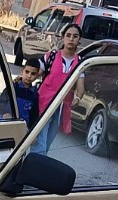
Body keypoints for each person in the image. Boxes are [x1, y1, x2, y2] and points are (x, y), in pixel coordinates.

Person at [30, 23, 84, 154]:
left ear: (79, 40)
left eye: (75, 36)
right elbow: (36, 74)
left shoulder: (80, 62)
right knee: (40, 141)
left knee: (48, 141)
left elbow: (80, 86)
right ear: (63, 38)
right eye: (68, 35)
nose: (71, 39)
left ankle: (37, 164)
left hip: (61, 108)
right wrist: (22, 80)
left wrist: (77, 97)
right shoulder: (51, 56)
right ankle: (35, 166)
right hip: (44, 104)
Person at [0, 57, 42, 130]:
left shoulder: (34, 95)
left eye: (33, 74)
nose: (29, 76)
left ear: (37, 76)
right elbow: (0, 102)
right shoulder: (13, 87)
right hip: (4, 123)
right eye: (27, 72)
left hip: (20, 128)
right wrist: (5, 113)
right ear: (22, 71)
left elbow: (34, 116)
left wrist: (31, 130)